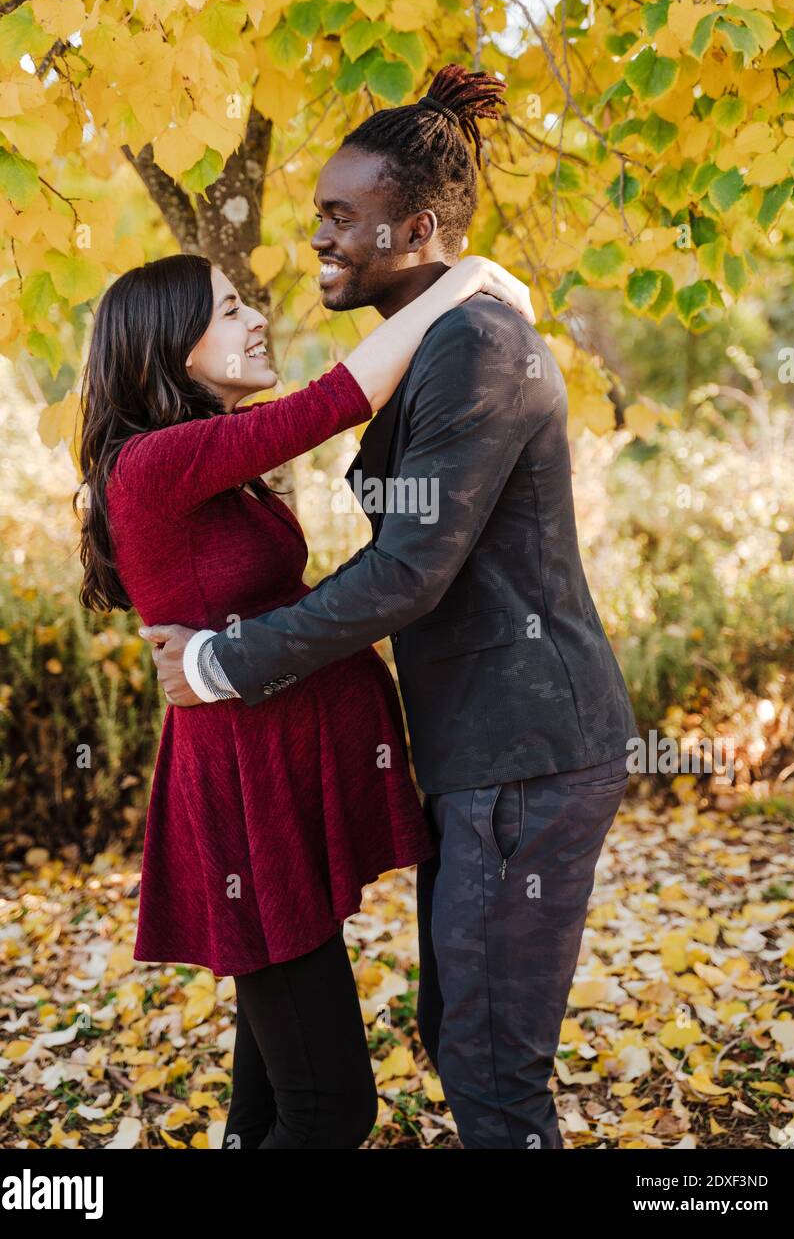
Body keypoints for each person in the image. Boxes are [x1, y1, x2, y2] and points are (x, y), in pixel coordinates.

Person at [143, 62, 639, 1150]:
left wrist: (223, 663)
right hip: (476, 749)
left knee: (491, 1064)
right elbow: (348, 415)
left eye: (339, 217)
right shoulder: (440, 341)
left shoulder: (477, 346)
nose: (316, 236)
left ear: (413, 227)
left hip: (526, 747)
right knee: (461, 1028)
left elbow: (411, 568)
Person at [75, 244, 535, 1150]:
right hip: (249, 795)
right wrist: (465, 278)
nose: (256, 320)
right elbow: (334, 402)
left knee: (272, 1107)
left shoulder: (201, 467)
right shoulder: (153, 464)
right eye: (230, 308)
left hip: (276, 776)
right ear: (169, 346)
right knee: (330, 1114)